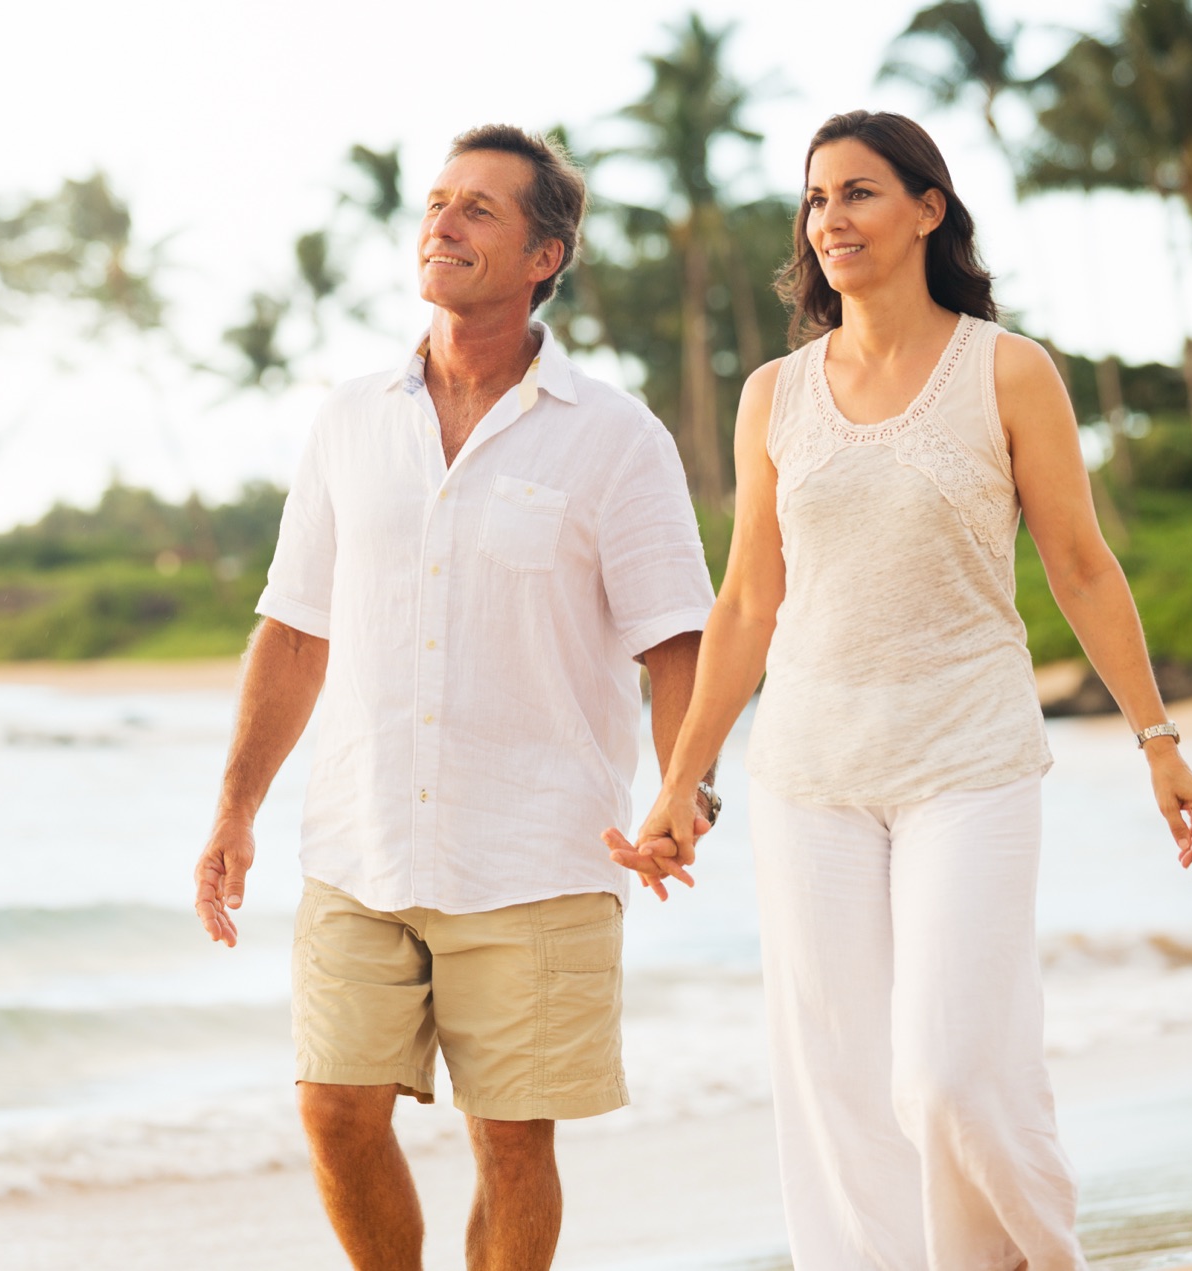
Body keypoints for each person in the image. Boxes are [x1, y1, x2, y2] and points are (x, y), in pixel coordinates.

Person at [605, 110, 1192, 1271]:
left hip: (968, 757)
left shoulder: (1007, 369)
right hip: (809, 773)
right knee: (840, 1089)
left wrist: (1158, 736)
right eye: (816, 197)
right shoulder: (775, 393)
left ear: (929, 208)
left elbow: (1082, 565)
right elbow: (746, 602)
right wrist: (683, 778)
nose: (830, 218)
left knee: (948, 1073)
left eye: (860, 191)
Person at [193, 124, 718, 1271]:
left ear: (544, 256)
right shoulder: (350, 418)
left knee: (513, 1142)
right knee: (333, 1109)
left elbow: (678, 639)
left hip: (538, 850)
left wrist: (685, 787)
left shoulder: (615, 437)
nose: (443, 221)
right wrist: (236, 806)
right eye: (437, 201)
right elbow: (294, 628)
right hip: (360, 842)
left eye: (480, 207)